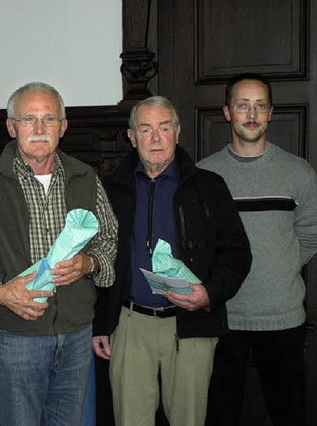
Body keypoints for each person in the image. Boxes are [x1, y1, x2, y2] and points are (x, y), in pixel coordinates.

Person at [0, 81, 118, 426]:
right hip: (16, 337)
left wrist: (89, 263)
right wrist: (0, 293)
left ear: (63, 127)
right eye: (29, 119)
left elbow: (109, 239)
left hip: (76, 336)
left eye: (49, 119)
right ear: (11, 126)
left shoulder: (85, 177)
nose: (39, 129)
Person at [93, 96, 252, 425]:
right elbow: (100, 259)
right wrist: (101, 323)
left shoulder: (208, 187)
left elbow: (237, 253)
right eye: (145, 129)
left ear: (177, 133)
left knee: (188, 419)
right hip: (130, 323)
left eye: (164, 128)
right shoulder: (111, 190)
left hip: (191, 325)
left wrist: (210, 293)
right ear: (131, 136)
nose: (155, 138)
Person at [198, 73, 317, 426]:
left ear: (270, 113)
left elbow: (313, 233)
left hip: (282, 318)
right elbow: (198, 243)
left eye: (260, 106)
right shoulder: (205, 175)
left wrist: (280, 268)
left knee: (289, 415)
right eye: (242, 105)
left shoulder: (298, 173)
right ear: (227, 113)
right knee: (220, 415)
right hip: (223, 317)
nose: (251, 115)